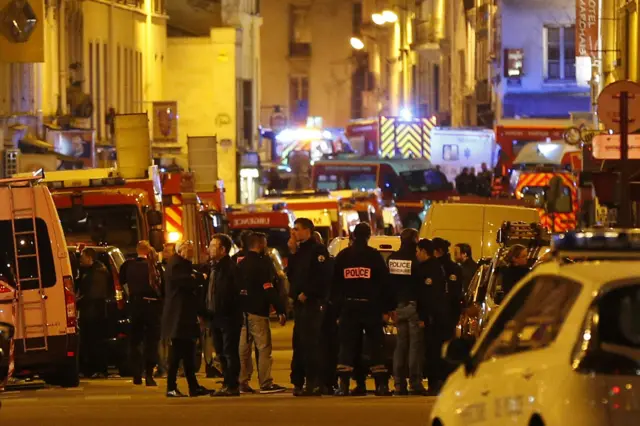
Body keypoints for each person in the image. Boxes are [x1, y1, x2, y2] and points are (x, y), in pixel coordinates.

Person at [332, 222, 393, 396]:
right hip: (371, 307)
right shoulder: (374, 257)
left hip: (349, 307)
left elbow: (335, 286)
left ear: (353, 236)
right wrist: (387, 308)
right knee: (375, 346)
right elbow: (384, 284)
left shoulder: (343, 256)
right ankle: (381, 386)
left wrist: (337, 310)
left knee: (349, 346)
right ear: (368, 236)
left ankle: (347, 385)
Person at [236, 233, 287, 394]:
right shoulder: (263, 263)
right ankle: (265, 382)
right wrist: (280, 309)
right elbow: (268, 287)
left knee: (243, 348)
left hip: (242, 312)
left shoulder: (239, 263)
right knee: (263, 347)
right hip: (258, 311)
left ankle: (242, 381)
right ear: (258, 245)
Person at [287, 218, 332, 396]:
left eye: (297, 229)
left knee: (311, 343)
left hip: (313, 304)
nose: (294, 233)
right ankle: (298, 380)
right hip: (300, 305)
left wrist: (308, 292)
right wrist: (292, 252)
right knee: (299, 343)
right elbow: (292, 275)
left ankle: (314, 382)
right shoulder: (299, 252)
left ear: (307, 230)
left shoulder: (318, 250)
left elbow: (322, 277)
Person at [161, 240, 210, 397]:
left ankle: (193, 386)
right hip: (179, 316)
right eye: (188, 250)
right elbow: (185, 282)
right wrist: (199, 278)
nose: (191, 253)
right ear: (180, 251)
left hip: (184, 316)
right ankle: (171, 387)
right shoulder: (177, 264)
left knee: (188, 353)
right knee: (176, 354)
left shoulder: (181, 263)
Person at [388, 228, 428, 395]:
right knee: (414, 347)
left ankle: (398, 383)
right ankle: (415, 383)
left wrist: (389, 307)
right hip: (413, 305)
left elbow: (387, 285)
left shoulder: (391, 259)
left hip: (397, 306)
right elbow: (420, 285)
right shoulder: (416, 260)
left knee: (400, 346)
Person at [120, 241, 163, 386]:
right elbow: (161, 287)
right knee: (151, 342)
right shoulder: (154, 267)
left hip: (135, 306)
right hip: (151, 306)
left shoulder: (127, 265)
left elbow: (123, 285)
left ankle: (136, 374)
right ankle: (149, 374)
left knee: (135, 341)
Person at [205, 234, 242, 397]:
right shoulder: (214, 267)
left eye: (214, 246)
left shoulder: (230, 268)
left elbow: (233, 294)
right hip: (215, 317)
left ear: (223, 249)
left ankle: (232, 385)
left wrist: (226, 310)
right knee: (220, 352)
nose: (209, 249)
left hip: (228, 318)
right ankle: (227, 383)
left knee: (229, 351)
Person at [415, 239, 448, 395]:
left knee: (432, 351)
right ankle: (435, 383)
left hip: (432, 317)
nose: (416, 255)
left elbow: (428, 296)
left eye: (417, 251)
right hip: (436, 316)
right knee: (432, 350)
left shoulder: (431, 269)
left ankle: (434, 384)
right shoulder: (435, 267)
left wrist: (424, 317)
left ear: (424, 251)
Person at [77, 248, 110, 378]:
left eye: (82, 257)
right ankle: (92, 369)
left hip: (95, 314)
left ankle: (99, 369)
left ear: (89, 258)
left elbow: (93, 295)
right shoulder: (92, 271)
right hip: (92, 312)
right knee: (91, 342)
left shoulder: (98, 273)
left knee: (95, 342)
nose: (81, 260)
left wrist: (78, 301)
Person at [432, 238, 463, 342]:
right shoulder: (455, 268)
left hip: (437, 314)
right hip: (451, 313)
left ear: (438, 251)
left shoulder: (434, 267)